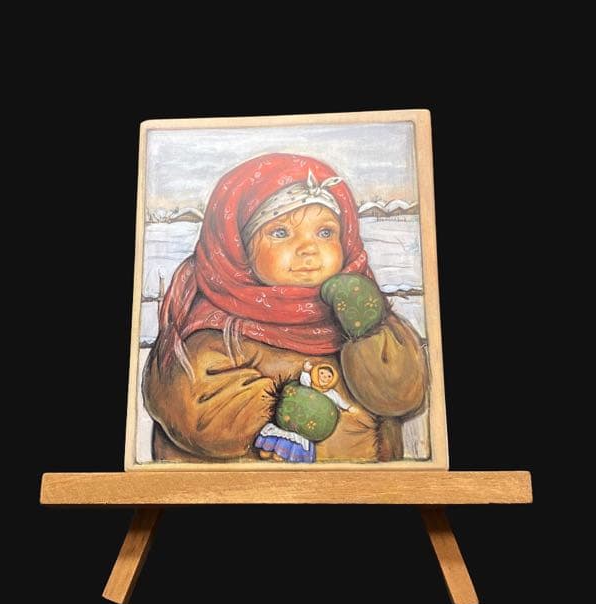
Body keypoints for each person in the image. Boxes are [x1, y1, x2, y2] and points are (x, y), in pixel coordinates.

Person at [143, 153, 427, 463]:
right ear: (240, 248)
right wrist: (283, 405)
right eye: (280, 232)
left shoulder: (352, 308)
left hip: (367, 485)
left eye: (325, 232)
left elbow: (403, 395)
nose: (309, 248)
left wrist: (367, 330)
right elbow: (194, 411)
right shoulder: (217, 328)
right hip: (251, 486)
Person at [254, 360, 358, 463]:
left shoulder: (331, 393)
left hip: (304, 431)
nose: (324, 377)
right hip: (288, 421)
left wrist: (349, 408)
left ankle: (283, 453)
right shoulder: (308, 383)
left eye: (329, 376)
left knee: (279, 457)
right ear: (315, 373)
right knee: (264, 453)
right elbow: (303, 379)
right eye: (322, 373)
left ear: (333, 380)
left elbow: (340, 402)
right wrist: (305, 370)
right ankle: (269, 447)